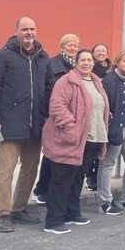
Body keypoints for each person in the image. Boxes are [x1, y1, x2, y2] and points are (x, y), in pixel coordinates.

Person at [0, 17, 54, 233]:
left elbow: (50, 89)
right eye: (24, 29)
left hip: (36, 125)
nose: (29, 32)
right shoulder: (2, 56)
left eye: (32, 28)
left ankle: (19, 208)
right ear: (16, 31)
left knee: (30, 168)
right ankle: (2, 213)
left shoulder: (43, 58)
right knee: (6, 170)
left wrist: (49, 117)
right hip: (9, 124)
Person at [41, 50, 109, 234]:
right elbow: (57, 106)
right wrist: (71, 129)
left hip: (91, 139)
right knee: (61, 179)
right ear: (76, 63)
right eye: (83, 60)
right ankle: (53, 221)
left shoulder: (96, 82)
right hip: (70, 140)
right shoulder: (66, 81)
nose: (86, 63)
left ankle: (72, 213)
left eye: (89, 60)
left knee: (77, 178)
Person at [33, 33, 79, 204]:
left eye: (75, 45)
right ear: (62, 46)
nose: (72, 48)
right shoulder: (53, 64)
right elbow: (48, 90)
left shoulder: (78, 66)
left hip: (74, 116)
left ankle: (57, 191)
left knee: (65, 155)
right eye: (69, 45)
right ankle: (41, 189)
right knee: (51, 155)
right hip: (56, 115)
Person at [98, 51, 125, 215]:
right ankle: (105, 202)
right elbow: (105, 105)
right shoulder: (109, 80)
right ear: (117, 62)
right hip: (117, 127)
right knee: (108, 163)